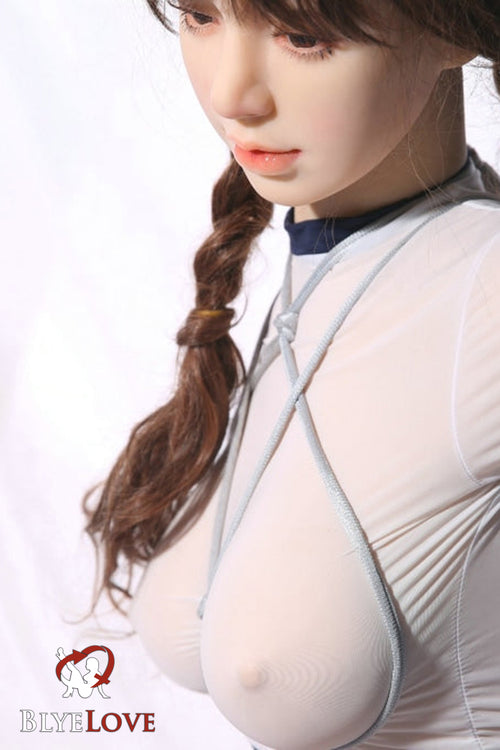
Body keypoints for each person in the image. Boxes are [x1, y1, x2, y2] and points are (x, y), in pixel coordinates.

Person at [84, 1, 500, 747]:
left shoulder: (483, 290)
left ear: (454, 25)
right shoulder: (321, 279)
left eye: (303, 35)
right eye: (200, 15)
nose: (230, 94)